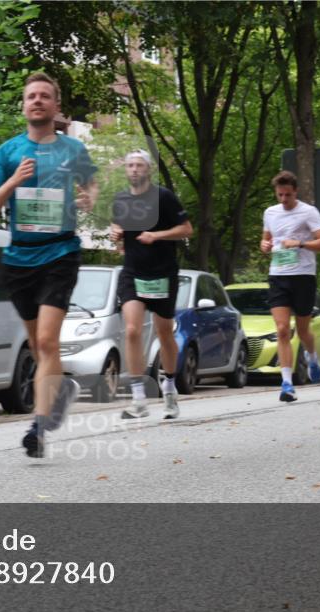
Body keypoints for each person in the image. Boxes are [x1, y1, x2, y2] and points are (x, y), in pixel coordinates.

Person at [0, 72, 98, 457]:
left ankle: (39, 427)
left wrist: (87, 198)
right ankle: (59, 389)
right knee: (36, 345)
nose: (38, 101)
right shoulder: (9, 152)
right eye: (32, 96)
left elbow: (90, 184)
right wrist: (13, 181)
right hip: (19, 259)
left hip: (60, 252)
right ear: (24, 105)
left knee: (47, 341)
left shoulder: (72, 150)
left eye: (46, 96)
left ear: (56, 106)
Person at [109, 150, 192, 420]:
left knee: (164, 333)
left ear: (148, 170)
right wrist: (116, 233)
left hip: (163, 273)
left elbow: (186, 229)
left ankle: (169, 387)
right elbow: (118, 235)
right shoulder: (121, 199)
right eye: (130, 165)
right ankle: (138, 399)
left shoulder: (164, 197)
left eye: (139, 165)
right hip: (133, 272)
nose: (134, 169)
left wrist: (157, 235)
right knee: (132, 330)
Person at [259, 170, 320, 402]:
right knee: (281, 329)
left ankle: (312, 357)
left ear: (295, 192)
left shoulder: (309, 212)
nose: (283, 199)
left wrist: (300, 243)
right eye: (280, 195)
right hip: (278, 275)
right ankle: (287, 383)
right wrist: (264, 245)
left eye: (287, 195)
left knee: (302, 330)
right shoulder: (270, 212)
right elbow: (267, 238)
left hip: (303, 276)